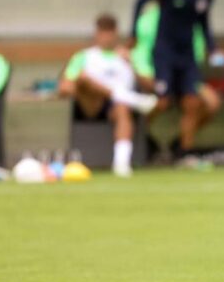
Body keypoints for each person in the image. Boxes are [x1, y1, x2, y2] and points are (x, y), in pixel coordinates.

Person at [130, 0, 224, 165]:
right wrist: (132, 34)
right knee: (162, 102)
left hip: (187, 56)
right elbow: (140, 1)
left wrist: (212, 48)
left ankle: (183, 152)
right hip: (165, 55)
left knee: (192, 103)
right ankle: (137, 140)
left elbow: (203, 23)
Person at [58, 15, 158, 177]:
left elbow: (151, 85)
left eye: (109, 33)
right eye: (102, 33)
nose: (106, 37)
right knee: (83, 77)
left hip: (117, 107)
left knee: (122, 107)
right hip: (92, 104)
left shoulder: (129, 55)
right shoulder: (84, 56)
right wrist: (75, 88)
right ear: (96, 34)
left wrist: (132, 63)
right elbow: (65, 87)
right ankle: (128, 97)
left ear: (116, 33)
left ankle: (121, 163)